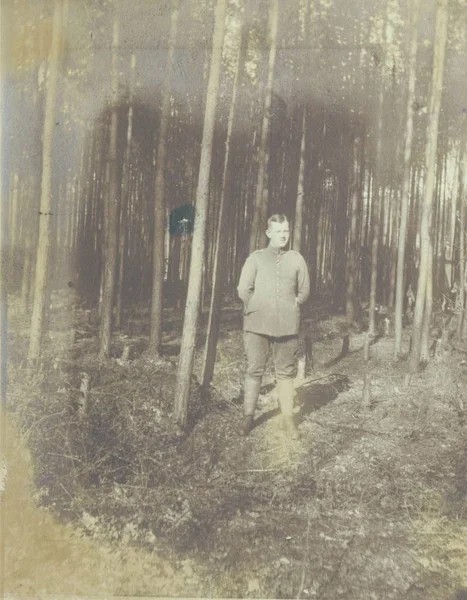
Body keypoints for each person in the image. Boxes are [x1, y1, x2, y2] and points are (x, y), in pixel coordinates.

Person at [237, 214, 310, 438]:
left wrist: (293, 305)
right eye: (278, 231)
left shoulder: (297, 259)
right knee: (254, 369)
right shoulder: (256, 259)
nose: (283, 235)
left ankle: (288, 419)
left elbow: (304, 291)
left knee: (286, 373)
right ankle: (248, 417)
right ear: (269, 233)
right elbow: (243, 290)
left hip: (287, 327)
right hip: (257, 326)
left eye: (286, 231)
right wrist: (257, 308)